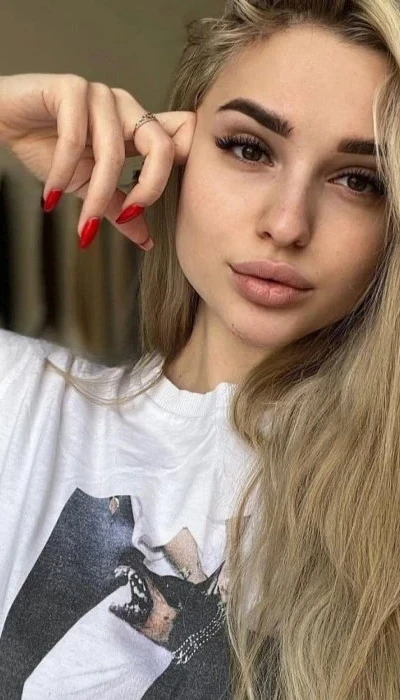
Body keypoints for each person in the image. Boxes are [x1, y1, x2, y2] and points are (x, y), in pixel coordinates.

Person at [0, 0, 399, 697]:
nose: (287, 223)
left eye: (358, 180)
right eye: (249, 148)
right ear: (176, 155)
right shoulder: (19, 401)